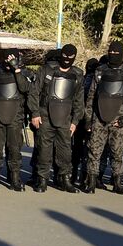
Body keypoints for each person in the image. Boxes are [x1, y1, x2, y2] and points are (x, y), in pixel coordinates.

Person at [85, 40, 123, 194]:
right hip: (99, 117)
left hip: (119, 118)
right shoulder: (100, 71)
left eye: (116, 53)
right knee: (94, 151)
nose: (113, 55)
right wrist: (88, 119)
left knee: (118, 152)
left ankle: (118, 182)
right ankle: (91, 181)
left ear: (122, 54)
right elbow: (91, 97)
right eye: (111, 52)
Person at [31, 44, 84, 192]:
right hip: (45, 115)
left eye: (71, 57)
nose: (67, 59)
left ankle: (65, 179)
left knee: (65, 151)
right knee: (44, 150)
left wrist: (75, 121)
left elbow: (79, 100)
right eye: (65, 56)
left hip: (66, 117)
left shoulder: (77, 74)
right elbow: (34, 92)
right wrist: (35, 113)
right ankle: (42, 179)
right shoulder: (47, 70)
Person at [0, 51, 33, 192]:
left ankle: (15, 179)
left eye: (11, 59)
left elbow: (25, 89)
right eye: (6, 59)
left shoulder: (23, 73)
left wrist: (16, 70)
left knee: (15, 149)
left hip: (16, 116)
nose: (8, 61)